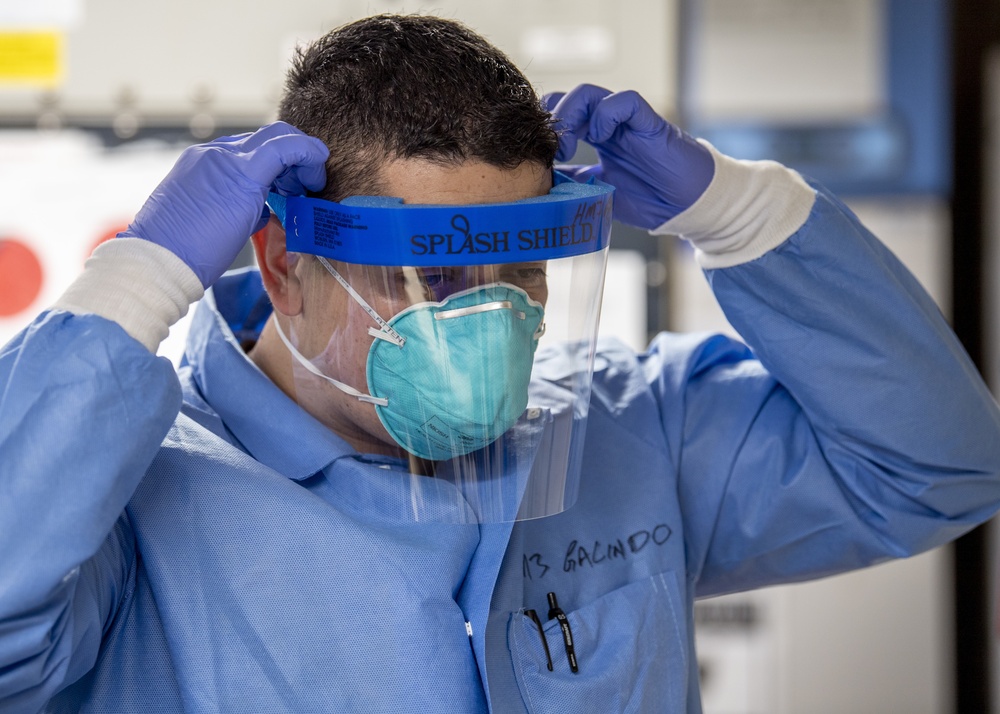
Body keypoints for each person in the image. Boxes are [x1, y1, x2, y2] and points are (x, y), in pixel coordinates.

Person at [2, 13, 999, 714]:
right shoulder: (124, 504)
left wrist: (741, 214)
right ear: (282, 263)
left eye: (518, 267)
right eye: (427, 278)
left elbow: (936, 468)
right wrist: (134, 283)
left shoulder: (627, 429)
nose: (488, 316)